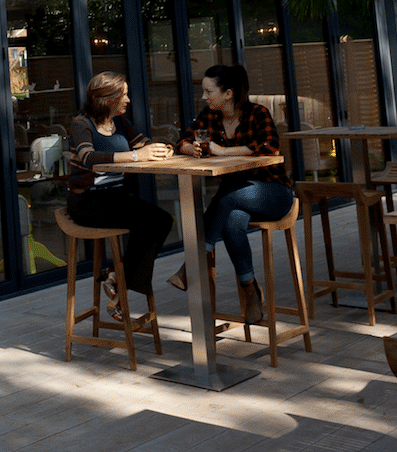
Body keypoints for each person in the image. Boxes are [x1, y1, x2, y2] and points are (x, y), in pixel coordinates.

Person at [173, 62, 292, 323]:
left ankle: (194, 262)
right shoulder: (209, 117)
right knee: (231, 220)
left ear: (228, 94)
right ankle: (250, 289)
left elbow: (271, 147)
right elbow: (182, 140)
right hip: (234, 200)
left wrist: (223, 151)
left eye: (208, 92)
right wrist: (189, 148)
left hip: (274, 193)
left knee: (228, 194)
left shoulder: (257, 113)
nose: (203, 97)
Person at [65, 71, 174, 322]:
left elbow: (144, 143)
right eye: (123, 95)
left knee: (162, 220)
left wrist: (161, 150)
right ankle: (119, 285)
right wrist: (136, 156)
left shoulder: (120, 123)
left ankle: (117, 278)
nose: (128, 100)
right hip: (88, 202)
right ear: (108, 98)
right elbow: (88, 158)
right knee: (150, 222)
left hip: (115, 198)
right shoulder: (82, 123)